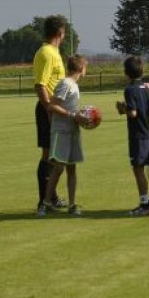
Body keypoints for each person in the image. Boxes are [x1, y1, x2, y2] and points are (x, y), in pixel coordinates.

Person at [41, 55, 88, 217]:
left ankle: (72, 204)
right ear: (81, 69)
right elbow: (52, 106)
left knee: (72, 167)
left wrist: (83, 117)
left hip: (73, 131)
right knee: (58, 167)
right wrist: (73, 115)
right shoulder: (65, 83)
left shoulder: (74, 85)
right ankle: (46, 203)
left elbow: (71, 110)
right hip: (61, 131)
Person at [32, 15, 68, 213]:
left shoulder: (53, 52)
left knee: (55, 155)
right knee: (48, 155)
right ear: (60, 33)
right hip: (49, 109)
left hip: (55, 108)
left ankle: (51, 196)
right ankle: (43, 200)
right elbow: (41, 85)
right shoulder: (47, 53)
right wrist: (49, 110)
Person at [115, 55, 149, 215]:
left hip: (137, 135)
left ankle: (145, 202)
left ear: (126, 73)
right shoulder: (145, 89)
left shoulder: (129, 90)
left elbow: (132, 113)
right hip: (147, 132)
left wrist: (122, 108)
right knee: (147, 168)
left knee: (138, 168)